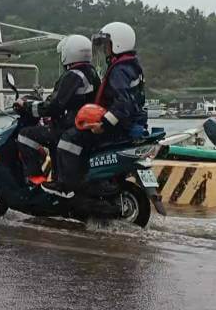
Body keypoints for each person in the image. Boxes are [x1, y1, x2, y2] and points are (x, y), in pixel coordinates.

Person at [42, 21, 147, 199]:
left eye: (107, 44)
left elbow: (123, 104)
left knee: (68, 138)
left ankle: (66, 186)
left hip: (119, 127)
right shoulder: (130, 66)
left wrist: (104, 124)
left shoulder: (120, 70)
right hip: (131, 123)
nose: (105, 49)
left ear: (118, 44)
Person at [14, 34, 100, 186]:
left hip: (70, 127)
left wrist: (26, 106)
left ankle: (36, 180)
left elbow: (54, 106)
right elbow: (69, 102)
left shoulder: (73, 75)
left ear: (69, 52)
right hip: (79, 125)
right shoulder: (90, 72)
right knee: (48, 134)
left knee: (25, 135)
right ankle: (55, 176)